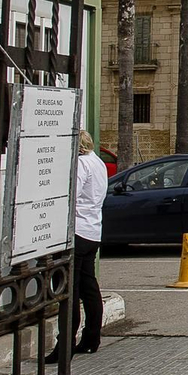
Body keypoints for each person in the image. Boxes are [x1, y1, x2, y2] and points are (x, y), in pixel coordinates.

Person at [49, 129, 108, 362]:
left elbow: (71, 194)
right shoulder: (98, 163)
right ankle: (92, 338)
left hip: (76, 231)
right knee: (89, 286)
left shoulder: (82, 164)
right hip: (93, 230)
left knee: (69, 290)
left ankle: (65, 345)